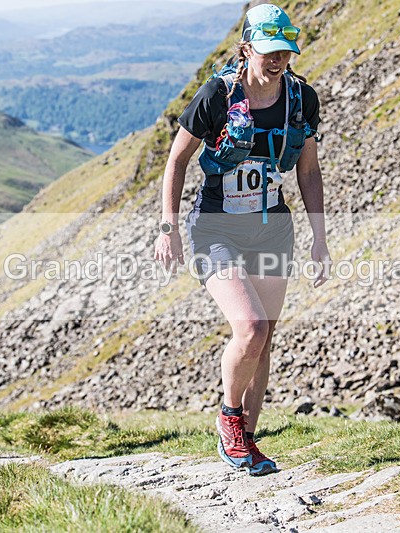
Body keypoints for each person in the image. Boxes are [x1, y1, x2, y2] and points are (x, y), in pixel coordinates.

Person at [154, 3, 330, 476]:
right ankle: (228, 422)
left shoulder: (301, 99)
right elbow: (176, 161)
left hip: (273, 226)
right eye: (268, 51)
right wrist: (168, 227)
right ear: (247, 47)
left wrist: (319, 237)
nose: (278, 60)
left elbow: (308, 170)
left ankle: (248, 443)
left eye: (285, 51)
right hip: (215, 227)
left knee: (265, 339)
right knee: (249, 327)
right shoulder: (216, 95)